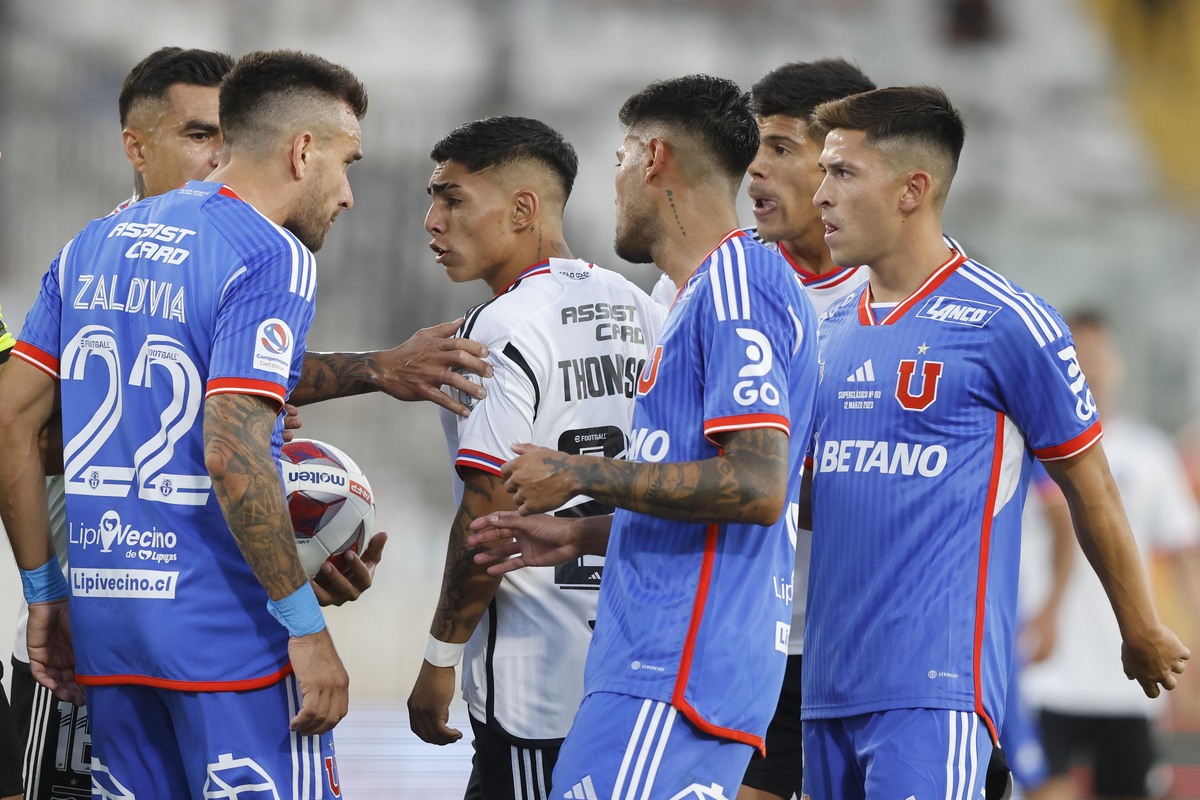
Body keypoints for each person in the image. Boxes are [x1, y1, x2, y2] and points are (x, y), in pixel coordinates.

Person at [9, 45, 493, 800]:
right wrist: (306, 628)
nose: (348, 194)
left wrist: (45, 593)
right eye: (348, 162)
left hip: (109, 632)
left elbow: (10, 418)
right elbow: (233, 455)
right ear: (303, 152)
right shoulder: (272, 254)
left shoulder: (92, 245)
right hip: (226, 642)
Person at [798, 85, 1187, 800]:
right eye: (823, 173)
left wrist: (1140, 628)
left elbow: (1089, 484)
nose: (820, 194)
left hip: (934, 687)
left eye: (843, 173)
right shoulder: (825, 327)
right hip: (825, 689)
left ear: (914, 189)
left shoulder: (1008, 321)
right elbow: (826, 497)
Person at [474, 74, 819, 799]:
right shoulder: (705, 295)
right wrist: (588, 532)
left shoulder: (737, 286)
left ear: (654, 156)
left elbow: (756, 485)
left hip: (674, 670)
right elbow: (701, 485)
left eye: (619, 161)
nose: (616, 185)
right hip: (673, 667)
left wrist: (581, 474)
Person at [406, 115, 664, 799]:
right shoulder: (645, 309)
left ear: (523, 208)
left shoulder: (502, 326)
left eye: (452, 198)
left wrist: (440, 658)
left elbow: (487, 515)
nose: (432, 221)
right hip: (632, 664)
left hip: (535, 681)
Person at [1020, 310, 1200, 800]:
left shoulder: (1151, 454)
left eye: (1101, 355)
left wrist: (1192, 662)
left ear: (1118, 363)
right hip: (1046, 672)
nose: (1092, 368)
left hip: (1131, 678)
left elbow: (1185, 560)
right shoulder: (1029, 446)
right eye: (1080, 355)